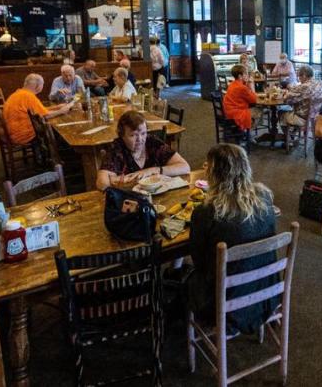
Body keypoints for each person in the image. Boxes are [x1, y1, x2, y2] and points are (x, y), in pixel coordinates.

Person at [188, 143, 277, 333]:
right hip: (266, 295)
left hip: (223, 305)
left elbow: (199, 262)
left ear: (214, 173)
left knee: (185, 279)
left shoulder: (206, 213)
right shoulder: (265, 198)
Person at [96, 110, 190, 190]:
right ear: (122, 136)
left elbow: (185, 167)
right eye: (133, 135)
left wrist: (153, 170)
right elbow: (102, 183)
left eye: (143, 133)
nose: (140, 139)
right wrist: (126, 182)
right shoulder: (117, 148)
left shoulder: (152, 142)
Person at [3, 74, 74, 145]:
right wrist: (61, 111)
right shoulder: (29, 96)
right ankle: (60, 151)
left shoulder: (17, 94)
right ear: (38, 86)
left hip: (12, 133)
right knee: (57, 129)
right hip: (23, 135)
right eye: (42, 85)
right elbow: (45, 115)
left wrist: (56, 107)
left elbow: (37, 111)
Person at [222, 64, 259, 132]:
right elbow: (254, 100)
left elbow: (244, 95)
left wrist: (247, 84)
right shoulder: (241, 87)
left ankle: (242, 132)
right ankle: (246, 132)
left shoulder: (233, 84)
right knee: (259, 111)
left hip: (228, 111)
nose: (247, 75)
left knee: (255, 110)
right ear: (240, 76)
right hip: (237, 114)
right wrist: (252, 86)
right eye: (245, 74)